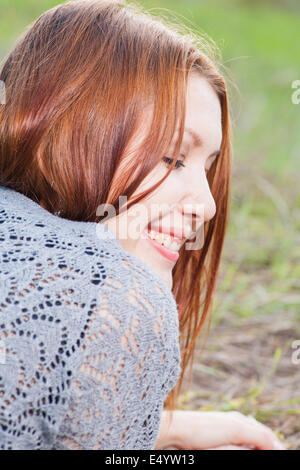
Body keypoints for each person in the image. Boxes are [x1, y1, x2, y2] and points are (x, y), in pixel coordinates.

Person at [0, 0, 285, 450]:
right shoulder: (119, 298)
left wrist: (157, 428)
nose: (208, 206)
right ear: (57, 134)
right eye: (172, 158)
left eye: (206, 168)